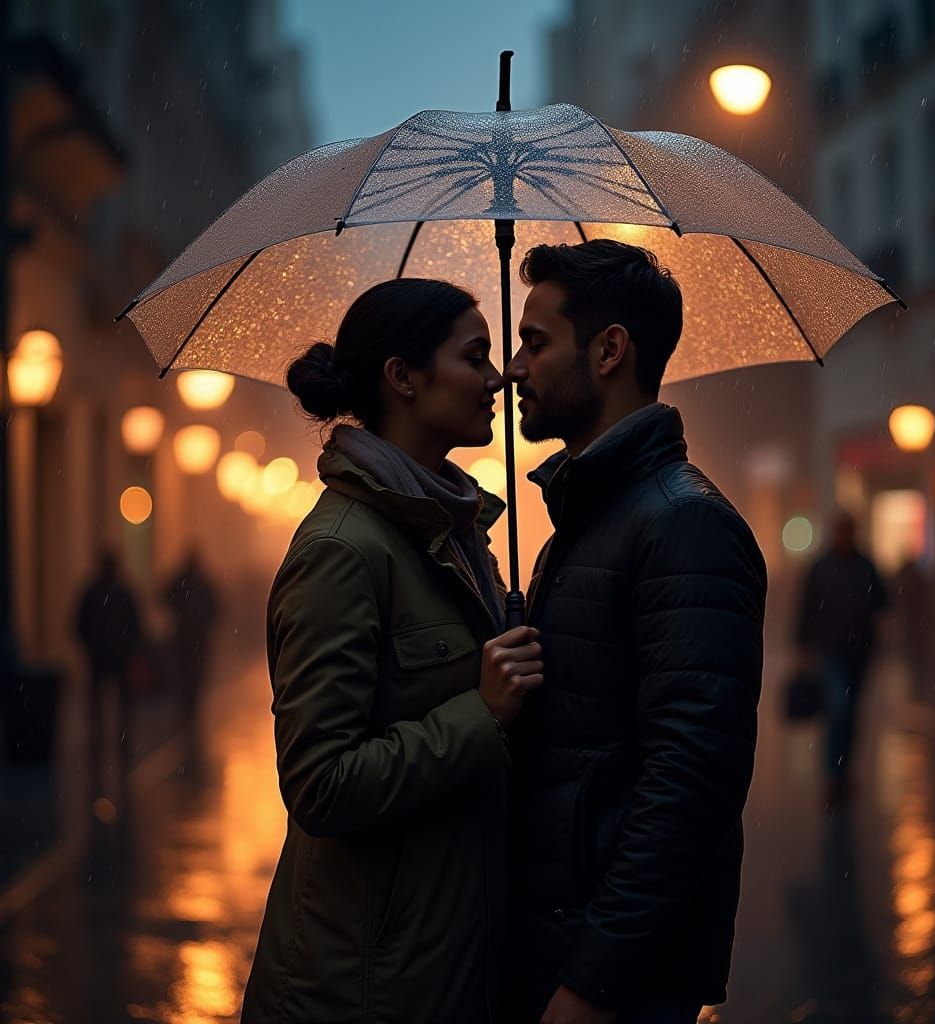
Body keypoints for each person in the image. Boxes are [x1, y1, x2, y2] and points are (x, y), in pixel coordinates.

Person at [240, 278, 543, 1024]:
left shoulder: (455, 530)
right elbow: (321, 785)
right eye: (475, 357)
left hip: (447, 966)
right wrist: (482, 714)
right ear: (403, 377)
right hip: (362, 988)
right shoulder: (342, 550)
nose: (498, 375)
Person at [503, 241, 767, 1024]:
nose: (516, 368)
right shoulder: (584, 524)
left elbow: (690, 782)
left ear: (610, 349)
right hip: (557, 950)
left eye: (536, 342)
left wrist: (592, 984)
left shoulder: (684, 524)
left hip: (614, 984)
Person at [796, 511, 887, 805]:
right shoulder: (823, 568)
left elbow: (881, 603)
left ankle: (842, 771)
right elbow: (807, 609)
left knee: (850, 714)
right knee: (839, 709)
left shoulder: (864, 566)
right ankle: (834, 775)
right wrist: (804, 646)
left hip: (858, 653)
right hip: (832, 652)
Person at [74, 550, 142, 777]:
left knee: (102, 701)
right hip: (112, 656)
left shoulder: (94, 592)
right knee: (119, 701)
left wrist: (91, 646)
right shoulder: (120, 592)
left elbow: (78, 624)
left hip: (102, 656)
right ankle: (117, 741)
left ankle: (101, 741)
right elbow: (135, 624)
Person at [163, 548, 219, 727]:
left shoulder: (184, 582)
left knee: (187, 672)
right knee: (193, 672)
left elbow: (165, 597)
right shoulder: (200, 583)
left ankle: (188, 707)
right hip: (195, 637)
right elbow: (216, 608)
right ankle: (190, 706)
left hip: (188, 636)